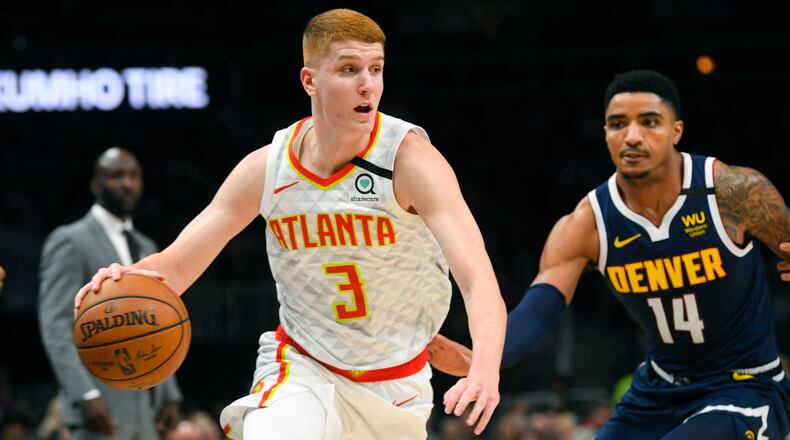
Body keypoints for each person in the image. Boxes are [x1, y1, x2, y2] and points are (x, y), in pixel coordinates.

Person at [75, 9, 506, 440]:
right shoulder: (268, 168)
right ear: (309, 81)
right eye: (349, 69)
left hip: (395, 385)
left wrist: (485, 370)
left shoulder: (411, 163)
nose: (367, 84)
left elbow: (477, 279)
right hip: (301, 367)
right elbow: (178, 264)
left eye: (376, 69)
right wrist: (127, 279)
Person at [439, 70, 790, 439]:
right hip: (661, 389)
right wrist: (481, 357)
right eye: (618, 124)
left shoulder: (732, 193)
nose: (632, 136)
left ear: (676, 131)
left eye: (650, 122)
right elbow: (537, 314)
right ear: (605, 134)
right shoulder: (587, 224)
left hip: (746, 385)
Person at [39, 147, 182, 440]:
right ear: (96, 185)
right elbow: (55, 325)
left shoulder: (146, 245)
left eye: (133, 176)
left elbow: (159, 326)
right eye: (116, 176)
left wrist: (170, 392)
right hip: (99, 408)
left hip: (147, 411)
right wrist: (85, 394)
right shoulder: (70, 241)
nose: (127, 183)